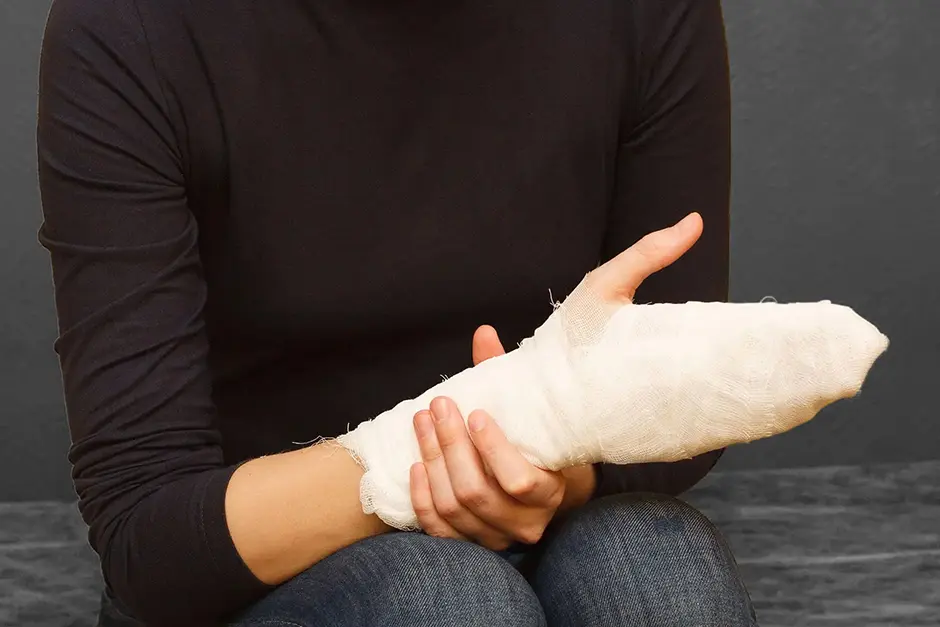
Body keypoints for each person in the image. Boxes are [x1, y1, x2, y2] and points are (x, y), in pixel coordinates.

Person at [36, 0, 757, 624]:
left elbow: (680, 400)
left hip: (544, 511)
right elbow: (147, 536)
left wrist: (535, 477)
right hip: (251, 572)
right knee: (445, 601)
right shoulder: (131, 27)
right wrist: (430, 467)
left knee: (660, 571)